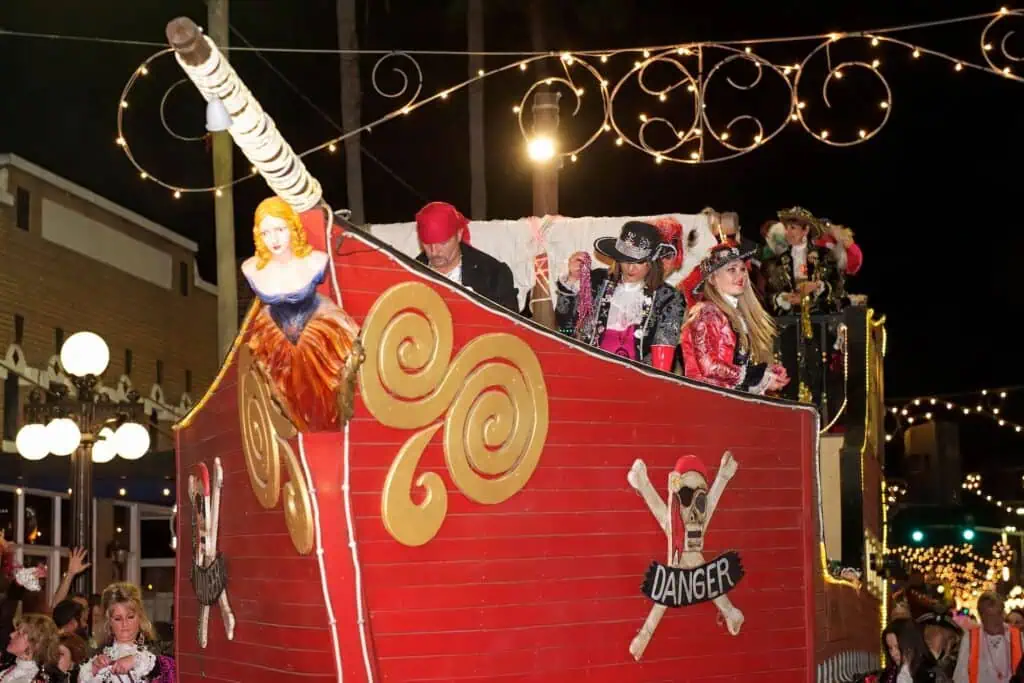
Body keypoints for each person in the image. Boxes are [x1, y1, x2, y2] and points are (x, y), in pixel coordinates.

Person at [242, 196, 361, 432]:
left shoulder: (315, 261)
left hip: (317, 322)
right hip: (275, 331)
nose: (273, 239)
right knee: (283, 390)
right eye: (266, 232)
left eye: (279, 229)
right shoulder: (251, 268)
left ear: (292, 227)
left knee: (330, 382)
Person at [555, 221, 684, 370]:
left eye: (639, 262)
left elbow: (663, 355)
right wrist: (571, 279)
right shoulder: (596, 281)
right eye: (626, 259)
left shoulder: (668, 297)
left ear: (652, 261)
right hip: (589, 372)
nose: (631, 268)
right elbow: (566, 325)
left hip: (639, 383)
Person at [680, 241, 789, 394]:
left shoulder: (734, 313)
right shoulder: (708, 312)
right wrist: (758, 376)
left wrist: (766, 373)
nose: (740, 275)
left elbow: (732, 369)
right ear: (712, 278)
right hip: (708, 403)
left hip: (727, 401)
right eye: (731, 269)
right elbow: (709, 366)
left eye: (743, 269)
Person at [414, 201, 519, 311]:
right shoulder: (409, 273)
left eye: (443, 243)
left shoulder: (494, 275)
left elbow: (511, 325)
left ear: (459, 235)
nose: (434, 252)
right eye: (427, 244)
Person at [79, 583, 173, 683]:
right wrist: (93, 669)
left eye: (130, 617)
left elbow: (174, 670)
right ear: (109, 621)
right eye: (118, 619)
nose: (125, 624)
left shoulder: (156, 652)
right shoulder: (98, 655)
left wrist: (135, 660)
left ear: (140, 616)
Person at [954, 592, 1022, 683]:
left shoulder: (1018, 637)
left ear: (1003, 613)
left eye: (998, 614)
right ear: (981, 616)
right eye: (990, 616)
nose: (996, 619)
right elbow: (961, 677)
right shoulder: (970, 638)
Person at [1, 613, 59, 683]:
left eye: (19, 633)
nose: (11, 635)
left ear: (35, 644)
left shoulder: (29, 678)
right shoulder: (14, 665)